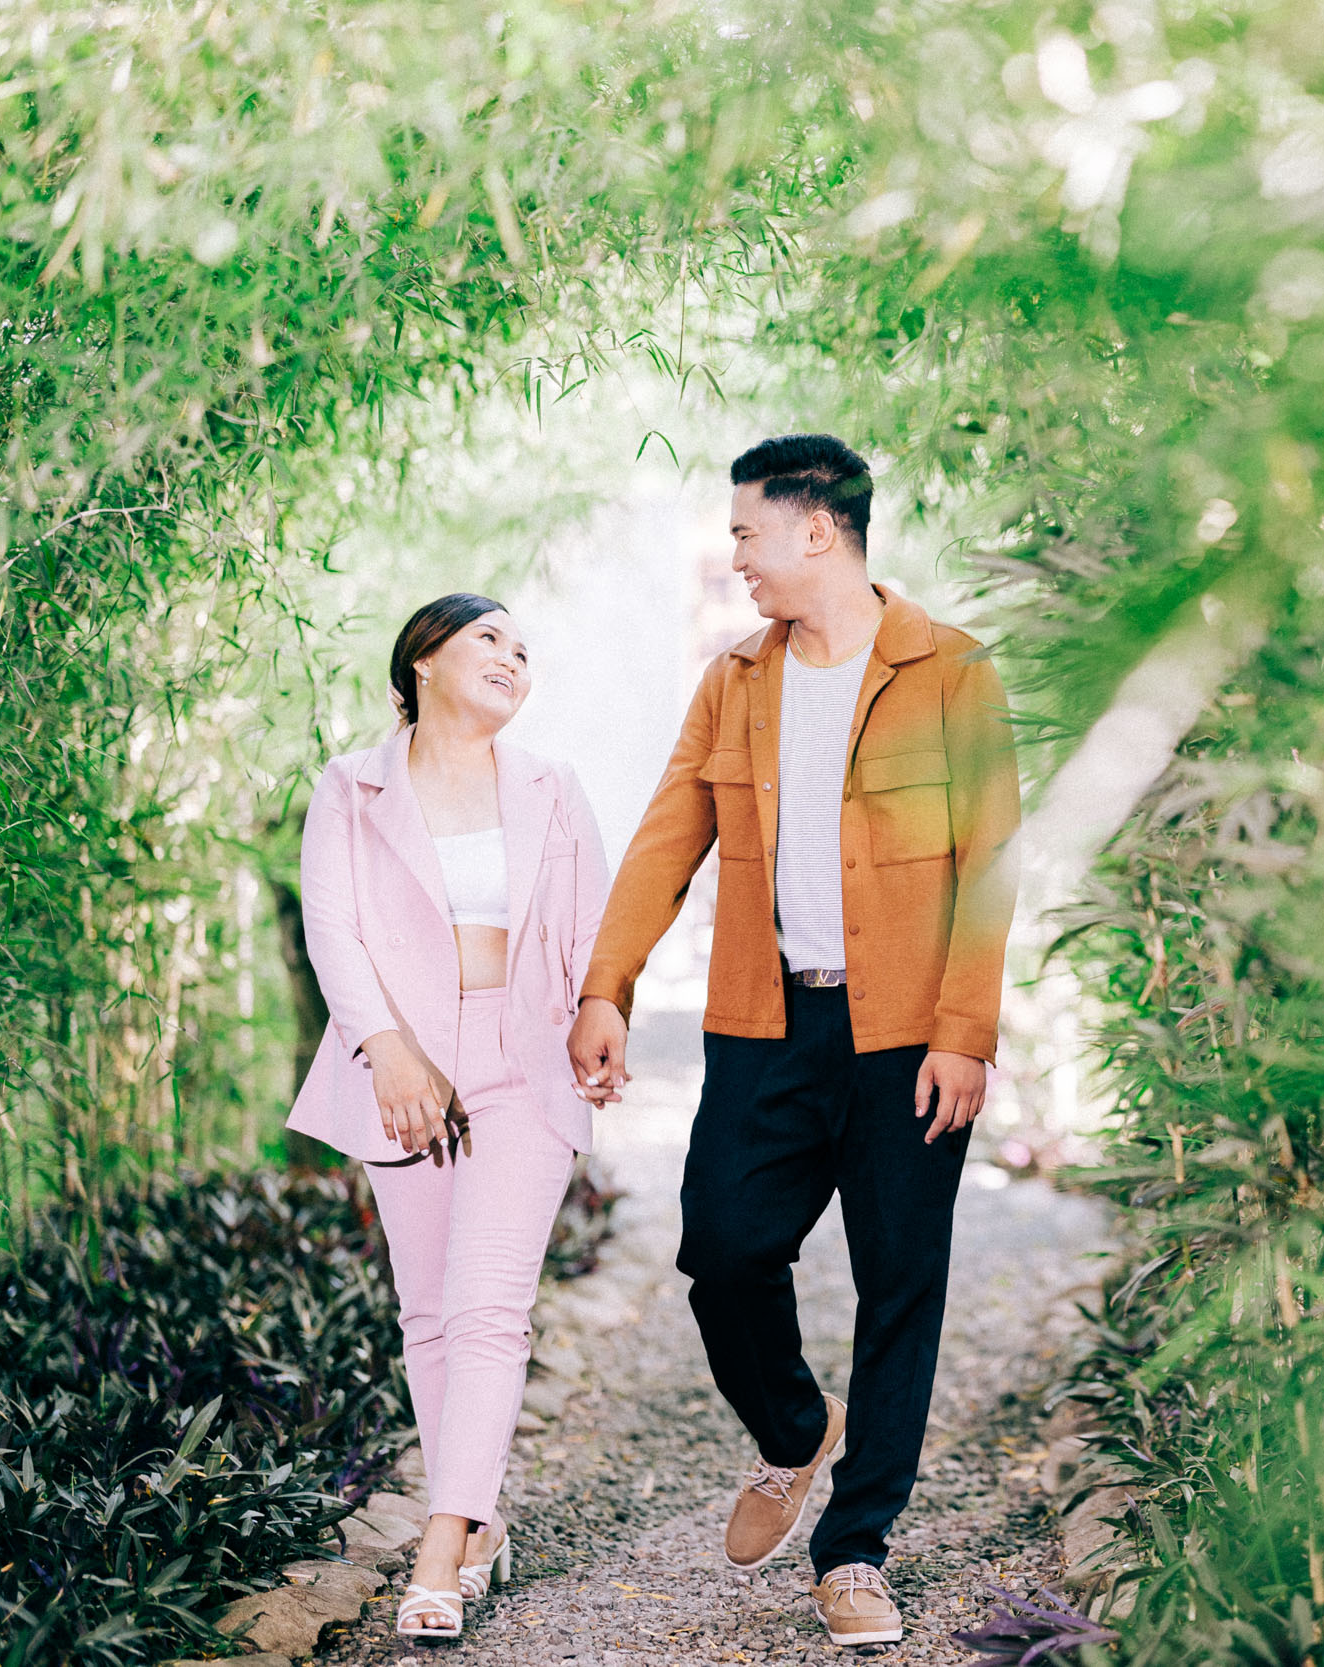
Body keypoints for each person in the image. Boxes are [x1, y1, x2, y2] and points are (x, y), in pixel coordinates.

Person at [566, 434, 1020, 1649]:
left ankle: (855, 1548)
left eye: (746, 534)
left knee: (899, 1283)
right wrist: (606, 985)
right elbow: (667, 837)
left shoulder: (951, 671)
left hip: (907, 1034)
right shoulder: (734, 681)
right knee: (721, 1246)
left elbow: (991, 860)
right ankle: (792, 1428)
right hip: (765, 1024)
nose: (737, 559)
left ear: (817, 529)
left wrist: (965, 1030)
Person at [290, 594, 610, 1642]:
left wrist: (604, 1017)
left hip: (524, 1057)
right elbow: (333, 925)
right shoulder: (352, 784)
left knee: (487, 1309)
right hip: (404, 1059)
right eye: (489, 639)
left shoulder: (552, 786)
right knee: (426, 1311)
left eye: (524, 649)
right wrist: (386, 1048)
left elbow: (594, 932)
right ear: (423, 659)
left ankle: (440, 1545)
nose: (513, 657)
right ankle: (476, 1521)